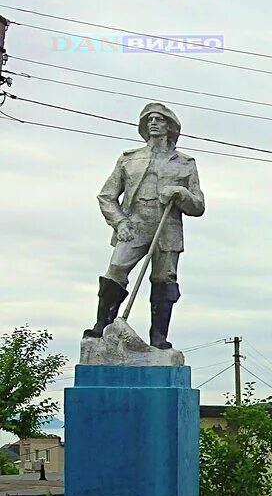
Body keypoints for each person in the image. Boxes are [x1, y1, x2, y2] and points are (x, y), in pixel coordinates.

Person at [84, 102, 205, 349]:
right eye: (149, 119)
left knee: (164, 278)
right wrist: (120, 223)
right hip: (135, 224)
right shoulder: (129, 159)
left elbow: (198, 206)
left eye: (159, 119)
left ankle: (158, 336)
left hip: (167, 227)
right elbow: (106, 196)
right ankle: (102, 325)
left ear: (170, 126)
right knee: (116, 269)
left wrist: (181, 193)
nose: (153, 123)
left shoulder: (185, 163)